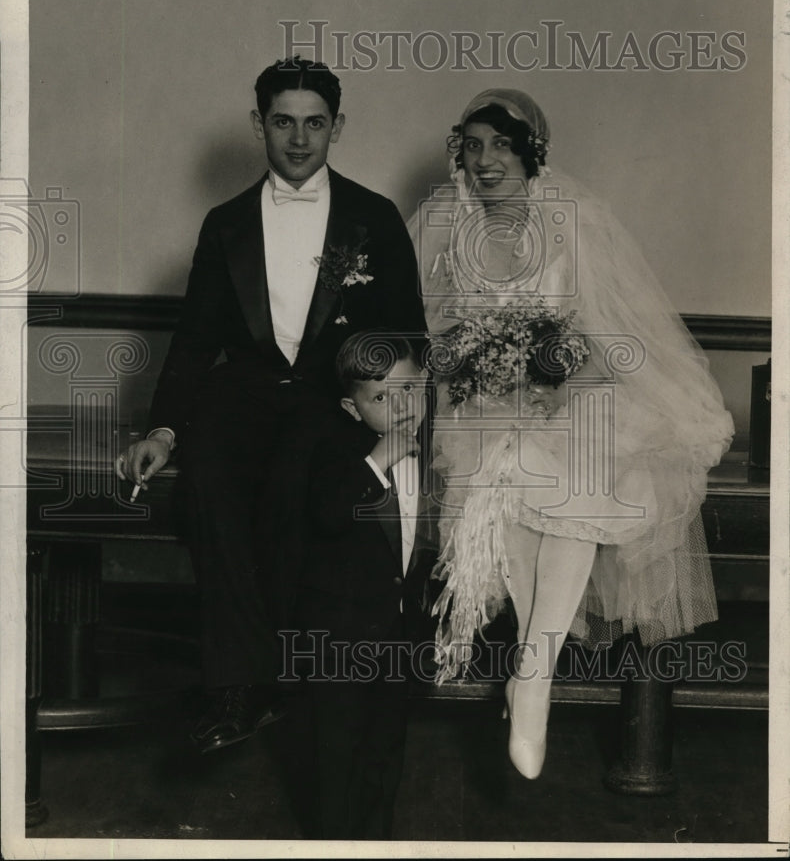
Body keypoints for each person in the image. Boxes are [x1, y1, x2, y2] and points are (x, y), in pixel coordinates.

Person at [408, 88, 734, 781]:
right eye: (474, 145)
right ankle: (534, 677)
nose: (487, 160)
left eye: (502, 144)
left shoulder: (574, 217)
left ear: (531, 151)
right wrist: (478, 356)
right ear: (458, 151)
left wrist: (554, 364)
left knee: (573, 463)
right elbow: (426, 339)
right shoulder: (442, 220)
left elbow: (615, 334)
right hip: (477, 411)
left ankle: (534, 671)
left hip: (567, 402)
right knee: (517, 464)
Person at [114, 56, 426, 754]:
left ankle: (291, 685)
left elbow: (409, 336)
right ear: (260, 124)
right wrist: (163, 430)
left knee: (297, 491)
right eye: (283, 121)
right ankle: (238, 685)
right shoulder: (224, 224)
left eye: (315, 123)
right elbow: (194, 342)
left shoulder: (372, 218)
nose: (298, 139)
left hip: (332, 403)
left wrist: (393, 415)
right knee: (209, 488)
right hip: (242, 397)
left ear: (336, 127)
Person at [273, 330, 435, 839]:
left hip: (397, 635)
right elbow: (328, 511)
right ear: (351, 406)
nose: (401, 405)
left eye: (410, 388)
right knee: (334, 754)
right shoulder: (337, 450)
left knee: (385, 751)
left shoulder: (435, 455)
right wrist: (377, 461)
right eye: (382, 397)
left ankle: (376, 842)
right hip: (337, 637)